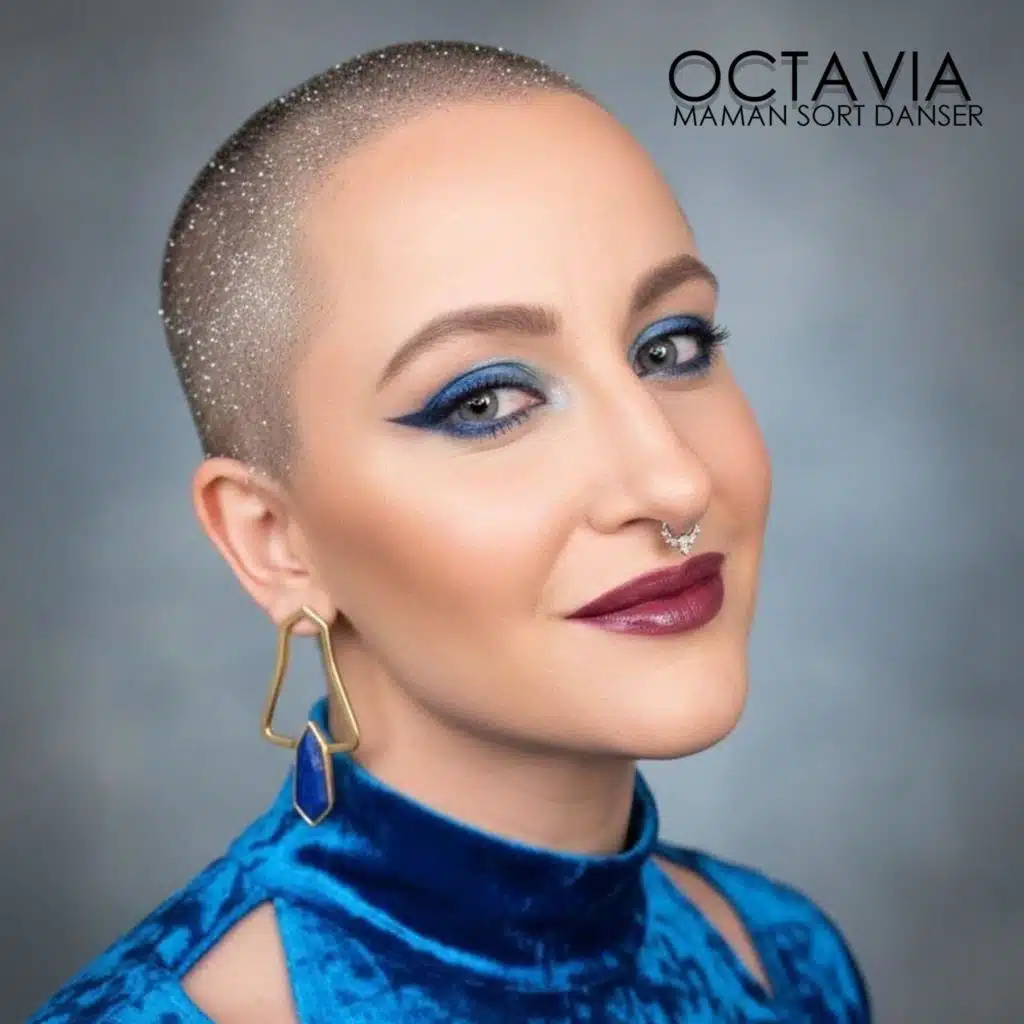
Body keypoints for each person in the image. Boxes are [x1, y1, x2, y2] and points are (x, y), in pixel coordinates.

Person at [29, 40, 871, 1023]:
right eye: (484, 402)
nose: (674, 480)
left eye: (670, 347)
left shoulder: (786, 959)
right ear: (273, 540)